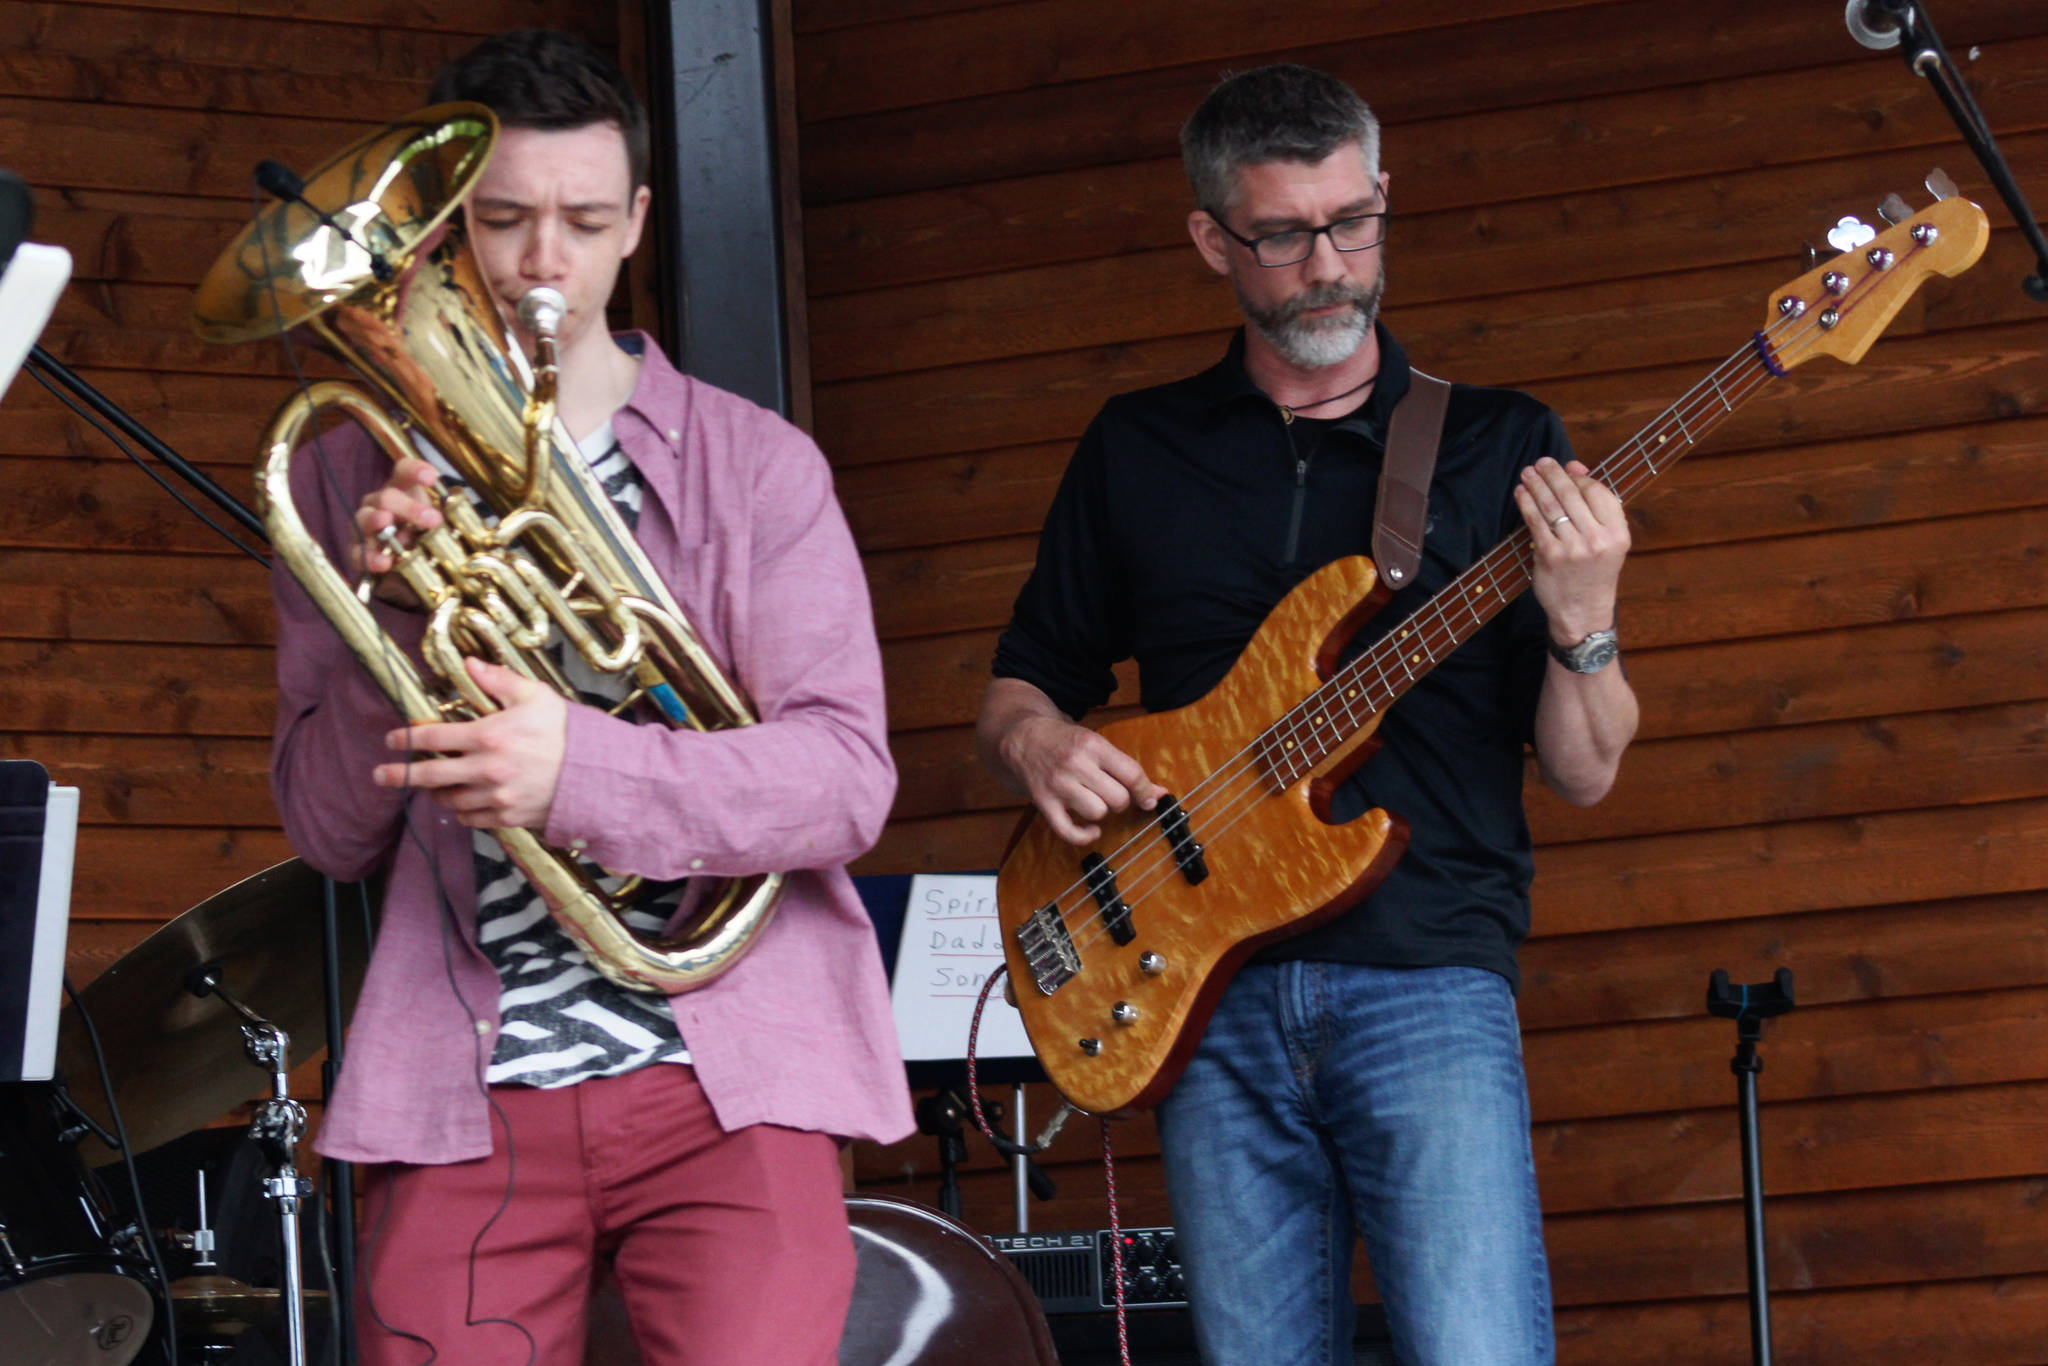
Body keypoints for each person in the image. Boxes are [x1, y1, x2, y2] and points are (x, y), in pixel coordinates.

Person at [976, 64, 1638, 1366]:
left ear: (1383, 195)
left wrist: (1587, 619)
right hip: (1201, 983)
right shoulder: (1137, 447)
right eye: (1284, 236)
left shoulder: (1496, 444)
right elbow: (1018, 684)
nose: (1329, 264)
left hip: (1430, 971)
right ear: (1213, 238)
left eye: (1354, 222)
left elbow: (1585, 767)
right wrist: (1035, 740)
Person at [268, 29, 912, 1366]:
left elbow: (846, 778)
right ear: (445, 237)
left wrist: (579, 772)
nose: (541, 261)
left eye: (579, 219)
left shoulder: (759, 468)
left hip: (727, 1075)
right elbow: (331, 833)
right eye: (500, 220)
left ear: (637, 226)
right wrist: (389, 603)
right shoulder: (340, 479)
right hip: (465, 1082)